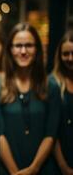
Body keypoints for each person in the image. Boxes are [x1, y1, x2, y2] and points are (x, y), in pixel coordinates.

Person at [0, 23, 60, 175]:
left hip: (43, 169)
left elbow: (51, 134)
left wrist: (33, 169)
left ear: (37, 50)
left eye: (29, 45)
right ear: (10, 50)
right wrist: (15, 172)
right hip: (8, 170)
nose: (23, 51)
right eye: (18, 45)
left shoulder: (51, 86)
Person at [51, 31, 73, 175]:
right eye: (65, 54)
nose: (70, 58)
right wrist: (64, 167)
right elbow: (51, 131)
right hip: (61, 160)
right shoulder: (52, 83)